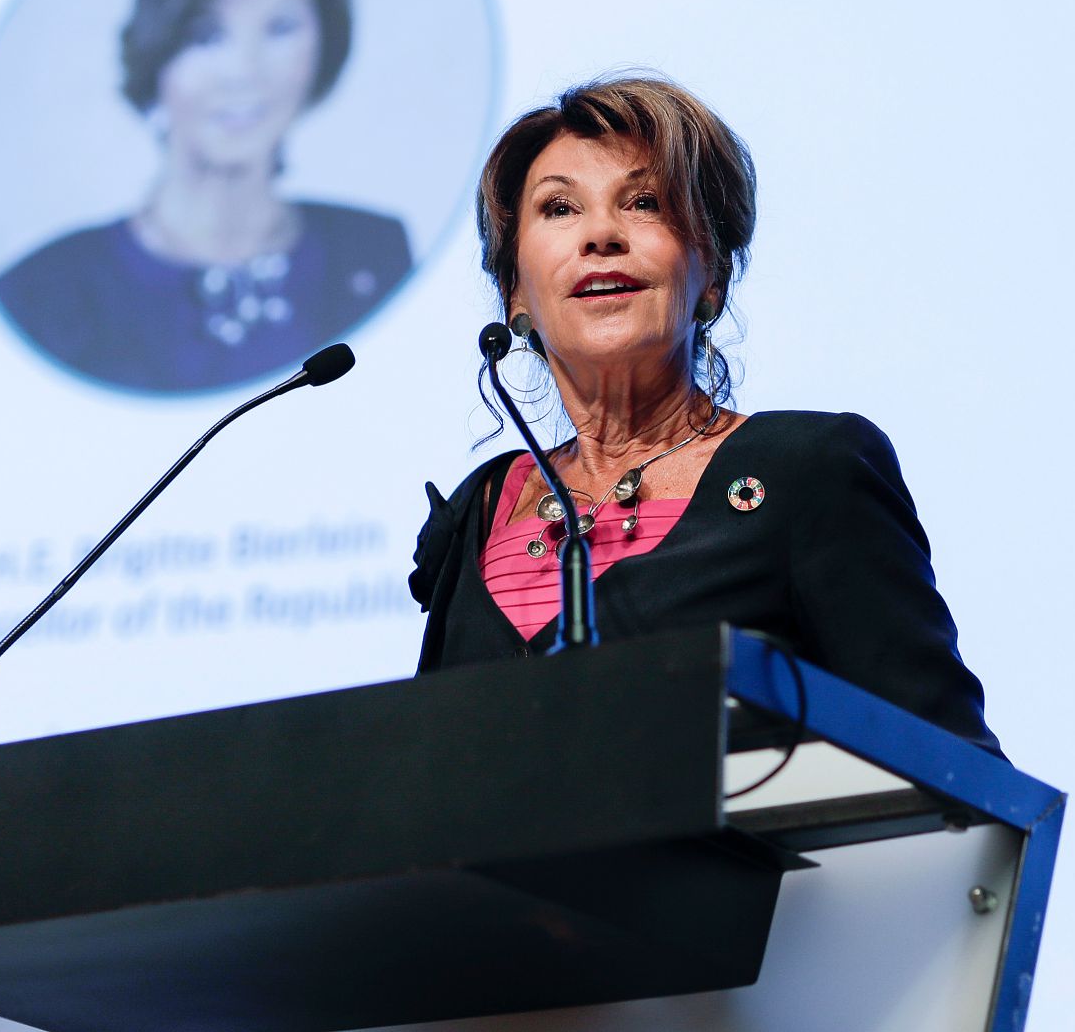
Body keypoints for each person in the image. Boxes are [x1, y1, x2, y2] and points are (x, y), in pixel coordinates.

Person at [409, 76, 1000, 754]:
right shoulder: (481, 510)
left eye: (643, 202)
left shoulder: (809, 470)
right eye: (560, 208)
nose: (601, 233)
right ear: (514, 290)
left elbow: (954, 772)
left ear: (710, 273)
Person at [0, 0, 411, 393]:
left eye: (281, 29)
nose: (244, 71)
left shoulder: (374, 251)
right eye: (207, 36)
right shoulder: (43, 291)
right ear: (156, 53)